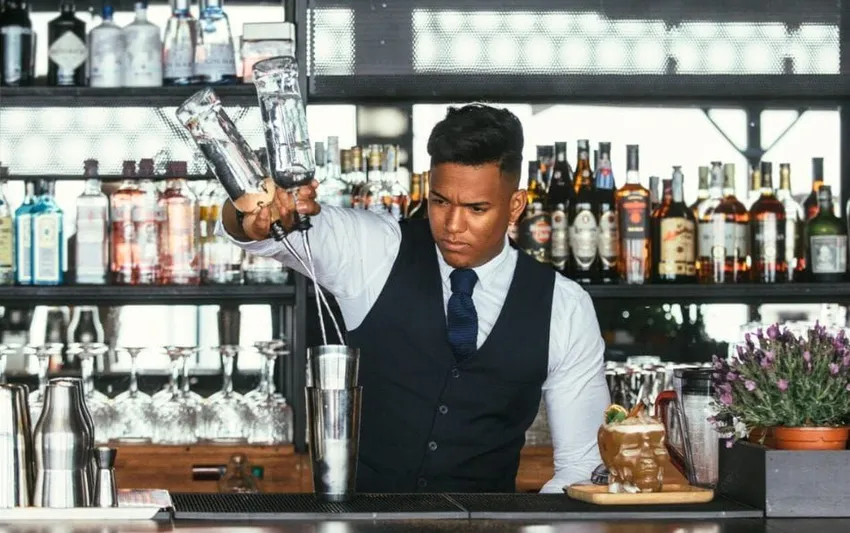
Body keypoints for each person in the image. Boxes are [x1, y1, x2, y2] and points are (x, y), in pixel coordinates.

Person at [218, 103, 610, 493]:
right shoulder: (377, 251)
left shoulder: (564, 307)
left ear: (515, 206)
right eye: (441, 202)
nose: (453, 226)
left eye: (477, 209)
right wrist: (253, 219)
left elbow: (582, 467)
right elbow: (266, 232)